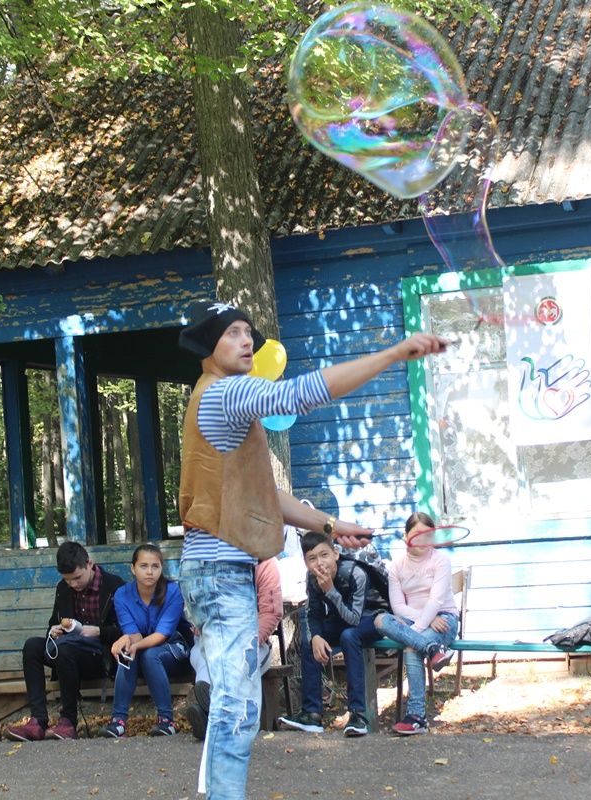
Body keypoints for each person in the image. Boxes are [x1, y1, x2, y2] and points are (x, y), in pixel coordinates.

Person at [175, 299, 448, 800]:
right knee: (239, 706)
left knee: (234, 701)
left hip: (216, 569)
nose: (246, 342)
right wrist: (390, 354)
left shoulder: (217, 400)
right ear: (208, 346)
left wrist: (329, 523)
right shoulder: (226, 392)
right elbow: (304, 392)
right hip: (218, 569)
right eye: (233, 333)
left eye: (248, 333)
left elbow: (267, 497)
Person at [6, 541, 126, 741]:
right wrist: (53, 632)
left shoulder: (114, 586)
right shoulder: (63, 588)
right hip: (67, 653)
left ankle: (68, 721)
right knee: (32, 647)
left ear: (89, 563)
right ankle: (38, 721)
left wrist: (98, 632)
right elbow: (54, 622)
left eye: (77, 578)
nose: (74, 584)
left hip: (101, 656)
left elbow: (127, 632)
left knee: (65, 650)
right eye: (68, 580)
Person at [278, 531, 387, 737]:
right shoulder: (312, 577)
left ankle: (358, 714)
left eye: (324, 555)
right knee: (310, 641)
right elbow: (314, 612)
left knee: (349, 636)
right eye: (312, 558)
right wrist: (317, 636)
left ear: (336, 554)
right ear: (305, 562)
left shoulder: (355, 573)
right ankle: (312, 714)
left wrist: (330, 590)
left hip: (373, 618)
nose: (319, 563)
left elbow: (355, 619)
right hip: (343, 619)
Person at [373, 512, 460, 735]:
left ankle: (417, 716)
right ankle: (432, 649)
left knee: (412, 647)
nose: (421, 540)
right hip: (414, 620)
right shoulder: (396, 567)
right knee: (381, 620)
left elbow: (436, 601)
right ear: (405, 536)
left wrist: (414, 632)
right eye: (416, 534)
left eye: (427, 535)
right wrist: (421, 625)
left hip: (444, 619)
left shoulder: (440, 560)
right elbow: (399, 607)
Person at [185, 557, 283, 741]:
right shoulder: (208, 559)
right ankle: (214, 714)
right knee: (201, 654)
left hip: (252, 641)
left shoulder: (264, 562)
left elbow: (271, 613)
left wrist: (246, 642)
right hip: (214, 637)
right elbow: (197, 607)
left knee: (241, 662)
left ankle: (210, 716)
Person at [103, 543, 193, 738]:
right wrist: (128, 641)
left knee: (149, 653)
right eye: (144, 566)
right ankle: (118, 721)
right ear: (132, 568)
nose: (150, 572)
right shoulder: (122, 595)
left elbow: (163, 634)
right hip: (143, 652)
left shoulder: (172, 591)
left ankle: (166, 721)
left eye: (155, 566)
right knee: (129, 653)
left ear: (162, 568)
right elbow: (134, 634)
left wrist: (133, 643)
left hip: (175, 651)